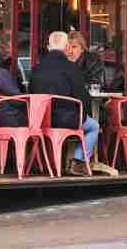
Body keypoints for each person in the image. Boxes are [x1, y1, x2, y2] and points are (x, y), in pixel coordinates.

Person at [30, 31, 97, 177]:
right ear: (66, 47)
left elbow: (32, 93)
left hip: (40, 119)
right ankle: (78, 162)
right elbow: (83, 98)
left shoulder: (36, 68)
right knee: (94, 126)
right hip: (66, 119)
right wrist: (85, 116)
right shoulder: (72, 68)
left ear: (48, 47)